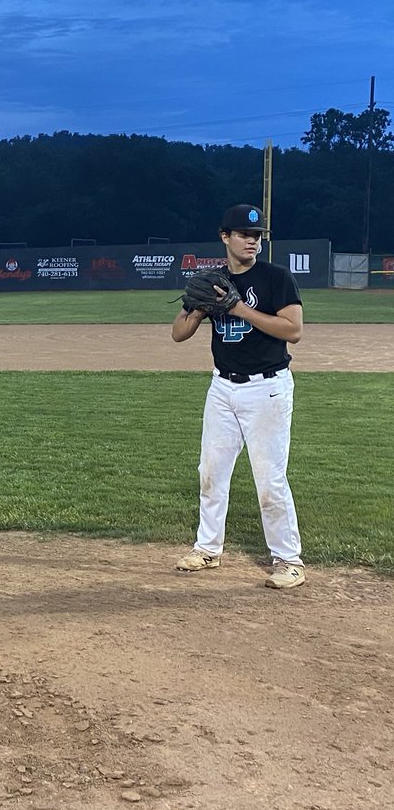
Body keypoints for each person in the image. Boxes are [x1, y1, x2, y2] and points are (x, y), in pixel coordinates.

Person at [171, 203, 306, 588]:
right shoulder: (211, 280)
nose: (252, 240)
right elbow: (178, 334)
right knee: (211, 472)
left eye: (257, 235)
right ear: (225, 237)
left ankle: (288, 560)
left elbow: (293, 330)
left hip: (267, 388)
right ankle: (208, 549)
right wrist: (199, 309)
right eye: (244, 234)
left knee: (270, 479)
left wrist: (239, 309)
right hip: (222, 387)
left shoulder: (275, 278)